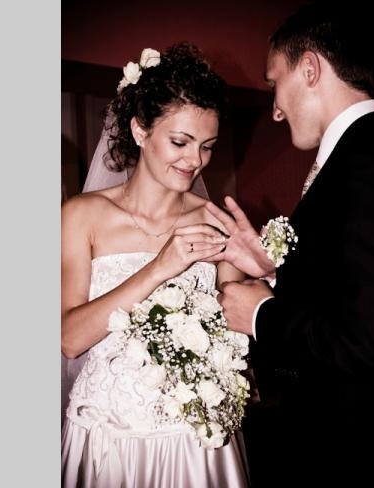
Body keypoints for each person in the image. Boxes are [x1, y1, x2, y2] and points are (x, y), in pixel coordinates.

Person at [206, 4, 374, 485]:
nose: (276, 109)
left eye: (273, 83)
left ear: (309, 69)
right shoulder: (360, 154)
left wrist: (260, 314)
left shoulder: (370, 163)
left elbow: (370, 337)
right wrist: (275, 270)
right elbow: (354, 288)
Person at [61, 43, 249, 488]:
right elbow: (69, 339)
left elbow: (240, 331)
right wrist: (159, 268)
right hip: (106, 439)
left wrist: (262, 271)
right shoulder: (82, 216)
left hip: (192, 443)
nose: (195, 161)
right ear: (140, 130)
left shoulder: (217, 223)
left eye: (207, 146)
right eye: (180, 142)